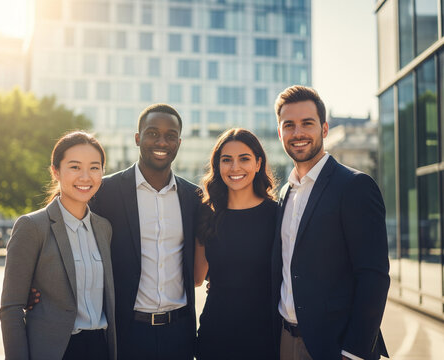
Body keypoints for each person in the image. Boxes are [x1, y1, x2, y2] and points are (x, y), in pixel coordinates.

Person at [271, 85, 390, 360]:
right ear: (280, 133)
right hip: (284, 342)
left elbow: (374, 277)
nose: (298, 133)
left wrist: (354, 353)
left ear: (324, 129)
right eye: (289, 125)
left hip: (335, 348)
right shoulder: (284, 192)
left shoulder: (355, 186)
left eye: (307, 124)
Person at [89, 104, 200, 360]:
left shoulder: (194, 198)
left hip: (180, 334)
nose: (161, 141)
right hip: (128, 333)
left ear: (179, 143)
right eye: (152, 133)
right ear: (138, 138)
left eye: (170, 136)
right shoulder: (105, 192)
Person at [0, 131, 116, 360]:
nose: (86, 177)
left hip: (100, 348)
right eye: (74, 167)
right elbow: (11, 308)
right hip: (57, 351)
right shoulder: (32, 226)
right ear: (55, 171)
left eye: (94, 167)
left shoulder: (104, 228)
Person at [194, 128, 278, 359]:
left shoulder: (277, 215)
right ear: (217, 166)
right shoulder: (206, 213)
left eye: (244, 159)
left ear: (258, 163)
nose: (235, 168)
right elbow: (196, 277)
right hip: (215, 336)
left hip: (264, 339)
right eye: (226, 160)